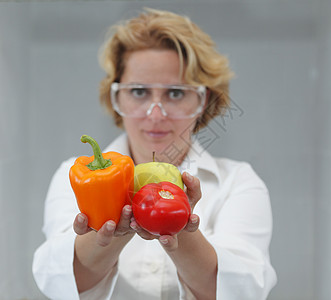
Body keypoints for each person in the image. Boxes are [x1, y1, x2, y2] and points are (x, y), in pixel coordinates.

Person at [32, 8, 277, 300]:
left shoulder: (238, 182)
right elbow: (59, 283)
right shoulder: (74, 176)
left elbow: (243, 290)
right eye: (138, 92)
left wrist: (181, 229)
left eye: (175, 93)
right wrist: (110, 230)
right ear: (116, 96)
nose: (156, 114)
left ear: (203, 101)